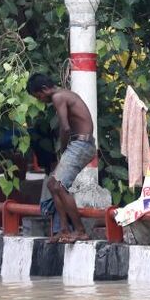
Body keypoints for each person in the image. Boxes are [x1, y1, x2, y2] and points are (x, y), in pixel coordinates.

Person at [26, 73, 96, 242]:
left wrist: (63, 149)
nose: (40, 100)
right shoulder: (64, 94)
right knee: (52, 184)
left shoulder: (58, 97)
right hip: (81, 144)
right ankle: (63, 229)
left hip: (80, 144)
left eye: (39, 96)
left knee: (60, 186)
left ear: (44, 89)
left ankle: (80, 230)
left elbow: (64, 128)